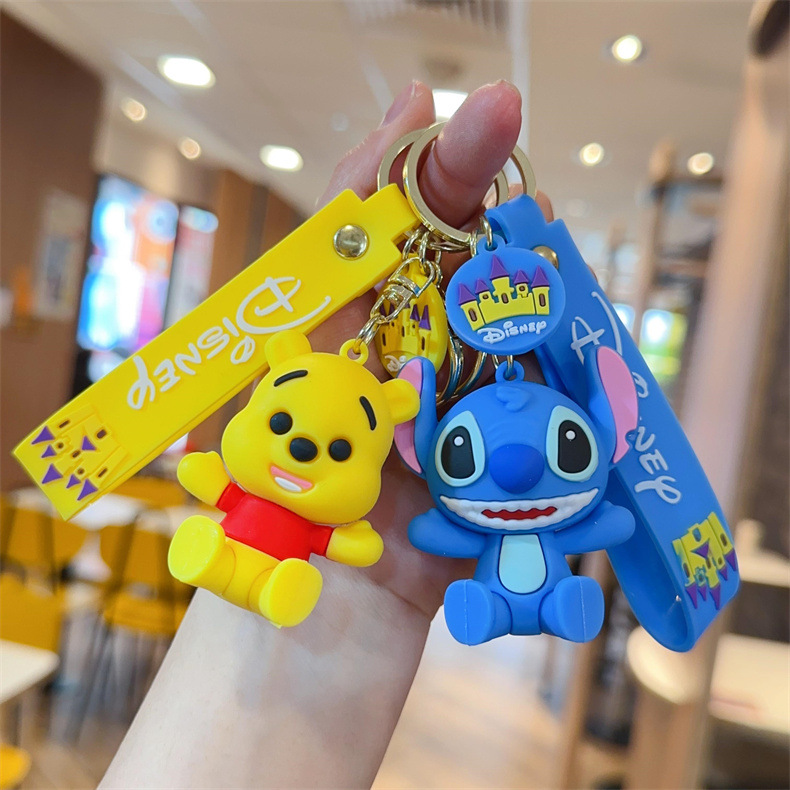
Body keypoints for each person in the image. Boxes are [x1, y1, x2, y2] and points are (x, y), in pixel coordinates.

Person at [99, 81, 554, 789]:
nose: (308, 448)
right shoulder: (312, 406)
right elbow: (225, 483)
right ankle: (223, 564)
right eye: (282, 425)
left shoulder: (364, 473)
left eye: (342, 451)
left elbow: (348, 539)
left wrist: (361, 584)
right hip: (268, 554)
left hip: (318, 573)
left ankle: (261, 580)